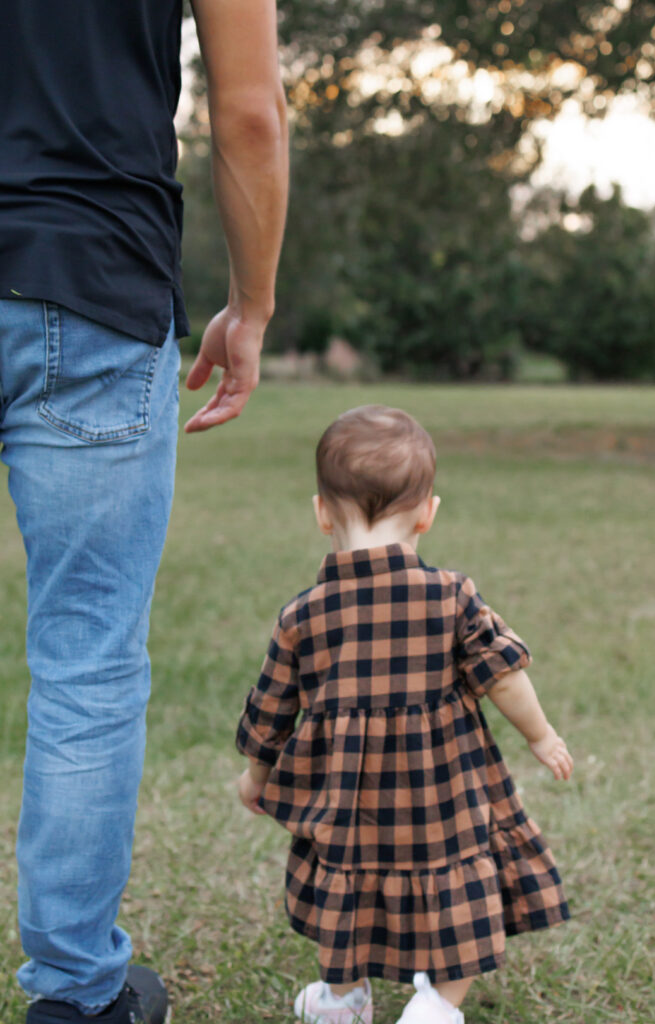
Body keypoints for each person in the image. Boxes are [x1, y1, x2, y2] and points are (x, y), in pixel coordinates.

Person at [0, 0, 288, 1021]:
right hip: (92, 284)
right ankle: (78, 996)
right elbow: (248, 113)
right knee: (86, 659)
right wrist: (249, 306)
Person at [236, 405, 573, 1024]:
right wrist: (542, 735)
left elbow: (270, 714)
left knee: (347, 887)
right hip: (444, 795)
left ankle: (342, 1000)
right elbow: (503, 677)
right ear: (427, 513)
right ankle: (438, 1007)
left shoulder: (303, 617)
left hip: (348, 805)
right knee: (460, 891)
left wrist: (256, 780)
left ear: (320, 514)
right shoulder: (451, 596)